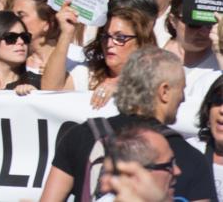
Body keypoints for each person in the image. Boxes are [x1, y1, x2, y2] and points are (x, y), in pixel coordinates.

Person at [41, 47, 213, 202]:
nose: (182, 98)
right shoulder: (190, 157)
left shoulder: (80, 135)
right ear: (164, 91)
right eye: (181, 89)